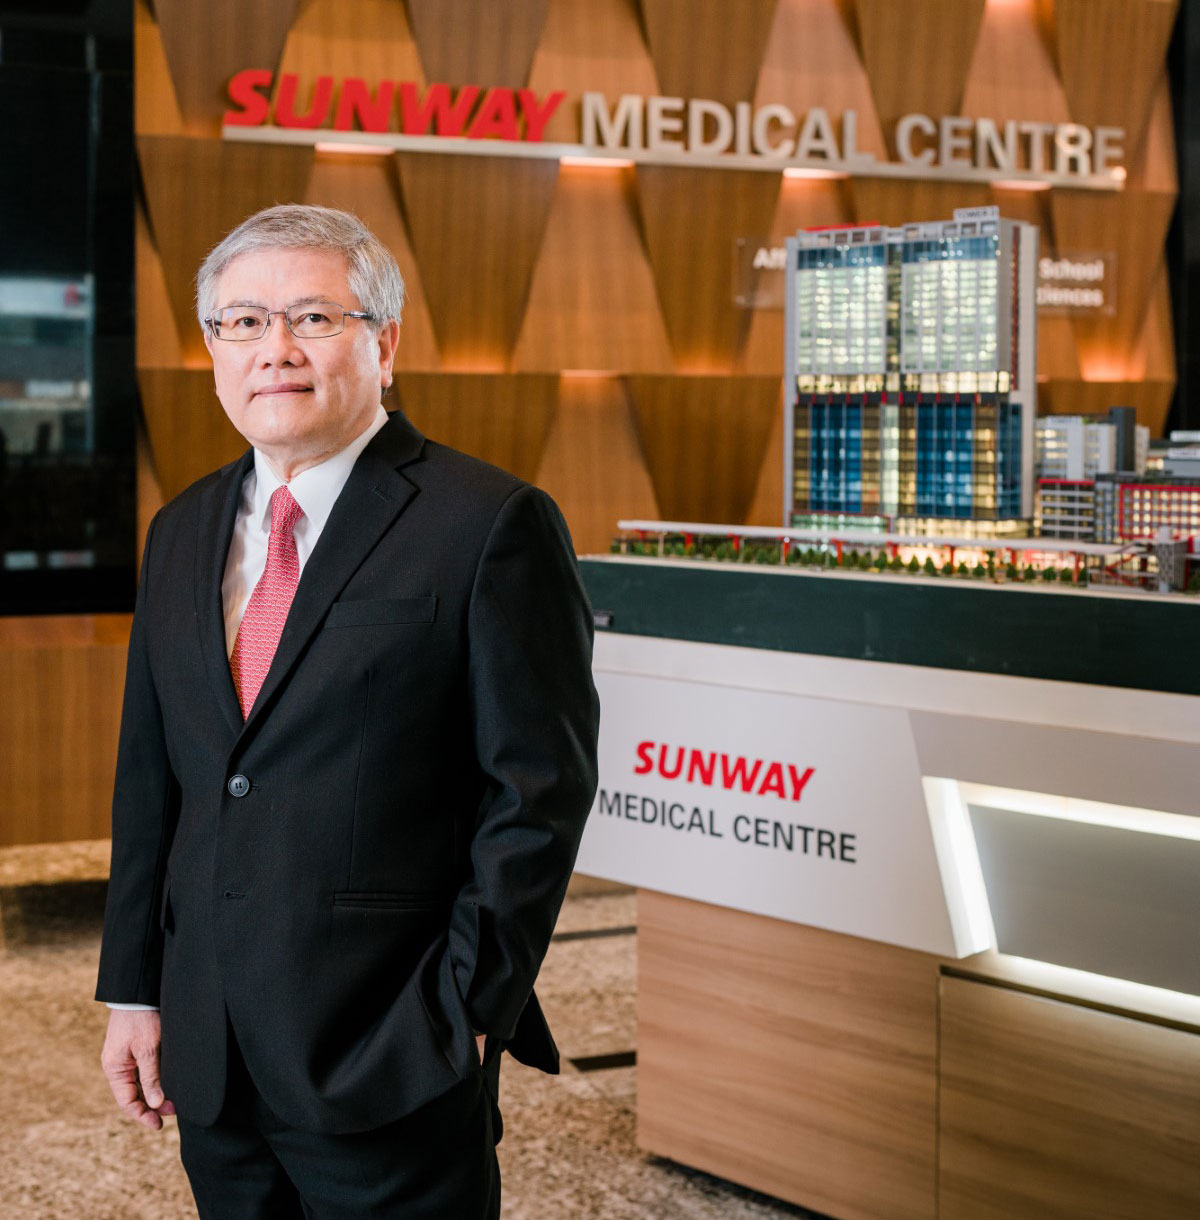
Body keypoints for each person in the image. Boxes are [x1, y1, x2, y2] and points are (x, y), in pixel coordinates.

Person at [95, 204, 600, 1219]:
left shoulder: (487, 522)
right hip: (215, 1049)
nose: (274, 349)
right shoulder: (182, 528)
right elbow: (155, 781)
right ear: (213, 349)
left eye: (313, 317)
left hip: (392, 1048)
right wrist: (135, 988)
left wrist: (465, 1007)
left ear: (385, 341)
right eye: (242, 322)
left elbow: (538, 791)